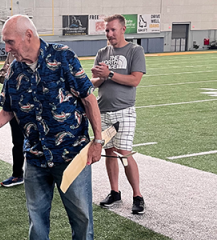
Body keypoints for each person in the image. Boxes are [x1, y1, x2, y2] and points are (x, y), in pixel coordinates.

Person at [0, 15, 103, 240]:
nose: (7, 48)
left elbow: (88, 99)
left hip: (71, 156)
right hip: (36, 158)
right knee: (36, 219)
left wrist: (98, 141)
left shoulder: (63, 56)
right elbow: (7, 110)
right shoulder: (14, 70)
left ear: (28, 35)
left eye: (10, 42)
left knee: (81, 218)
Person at [90, 14, 146, 215]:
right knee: (110, 152)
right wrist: (98, 77)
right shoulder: (102, 52)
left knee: (124, 152)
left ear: (123, 29)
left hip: (124, 110)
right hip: (103, 111)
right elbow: (95, 83)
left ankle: (137, 195)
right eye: (107, 30)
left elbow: (135, 80)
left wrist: (109, 74)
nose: (109, 33)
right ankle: (115, 192)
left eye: (113, 29)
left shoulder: (135, 50)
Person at [0, 53, 25, 187]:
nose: (7, 48)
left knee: (39, 142)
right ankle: (17, 174)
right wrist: (6, 73)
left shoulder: (39, 53)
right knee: (18, 142)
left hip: (35, 108)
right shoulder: (11, 55)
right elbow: (2, 77)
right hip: (14, 105)